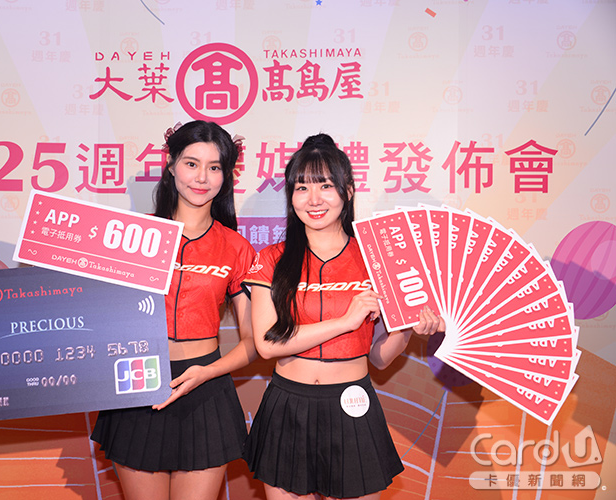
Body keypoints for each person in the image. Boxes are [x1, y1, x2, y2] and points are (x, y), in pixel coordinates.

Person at [243, 134, 444, 500]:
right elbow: (268, 344)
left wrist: (406, 329)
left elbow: (380, 358)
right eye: (302, 187)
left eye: (325, 185)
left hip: (353, 404)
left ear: (348, 191)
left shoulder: (377, 259)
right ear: (290, 196)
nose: (314, 199)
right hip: (287, 407)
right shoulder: (272, 259)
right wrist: (345, 322)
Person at [90, 120, 258, 500]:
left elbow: (254, 342)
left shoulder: (236, 248)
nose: (201, 177)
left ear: (226, 176)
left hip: (207, 388)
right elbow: (88, 316)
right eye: (191, 163)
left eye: (214, 167)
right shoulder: (131, 237)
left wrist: (207, 372)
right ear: (171, 165)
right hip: (138, 383)